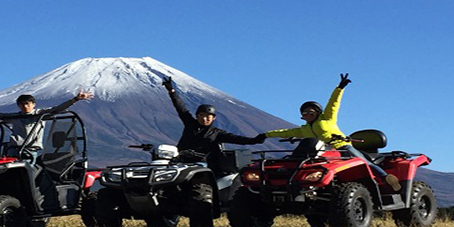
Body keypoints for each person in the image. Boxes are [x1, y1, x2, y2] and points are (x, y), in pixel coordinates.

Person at [258, 74, 401, 191]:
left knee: (363, 162)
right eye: (305, 112)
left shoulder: (327, 119)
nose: (308, 114)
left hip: (342, 147)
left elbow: (333, 103)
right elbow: (284, 132)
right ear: (302, 116)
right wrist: (265, 135)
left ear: (317, 112)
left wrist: (340, 88)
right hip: (322, 152)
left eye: (311, 111)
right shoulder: (304, 129)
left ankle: (385, 178)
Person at [161, 77, 264, 166]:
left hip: (201, 164)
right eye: (201, 116)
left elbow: (237, 139)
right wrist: (172, 91)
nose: (204, 119)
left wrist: (255, 140)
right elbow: (180, 108)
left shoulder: (217, 133)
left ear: (213, 118)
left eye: (208, 117)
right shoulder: (190, 124)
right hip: (180, 161)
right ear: (197, 116)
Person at [0, 90, 94, 161]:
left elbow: (57, 109)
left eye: (27, 103)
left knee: (28, 173)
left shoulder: (40, 114)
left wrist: (75, 99)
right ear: (18, 105)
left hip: (31, 151)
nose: (25, 106)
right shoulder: (16, 117)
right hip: (13, 150)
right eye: (22, 104)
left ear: (33, 104)